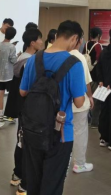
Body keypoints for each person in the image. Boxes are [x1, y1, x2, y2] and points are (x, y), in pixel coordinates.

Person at [19, 20, 86, 195]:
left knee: (33, 182)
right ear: (74, 38)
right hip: (61, 132)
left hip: (33, 129)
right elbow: (79, 102)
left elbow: (22, 91)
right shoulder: (74, 63)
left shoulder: (34, 59)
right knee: (53, 184)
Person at [8, 29, 44, 195]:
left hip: (21, 107)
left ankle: (18, 172)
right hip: (28, 108)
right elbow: (27, 88)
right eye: (39, 39)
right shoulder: (30, 61)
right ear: (32, 42)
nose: (42, 42)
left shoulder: (21, 58)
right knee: (25, 142)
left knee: (21, 140)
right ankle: (21, 176)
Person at [71, 38, 94, 174]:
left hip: (62, 104)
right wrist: (90, 97)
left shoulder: (59, 54)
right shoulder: (80, 57)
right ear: (78, 40)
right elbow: (86, 82)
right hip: (78, 102)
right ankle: (79, 164)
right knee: (80, 133)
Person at [0, 26, 18, 123]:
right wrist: (18, 56)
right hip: (9, 74)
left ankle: (1, 113)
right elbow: (13, 60)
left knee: (1, 93)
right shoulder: (12, 47)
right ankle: (9, 114)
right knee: (11, 95)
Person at [85, 27, 103, 128]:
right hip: (95, 76)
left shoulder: (86, 44)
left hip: (86, 75)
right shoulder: (98, 46)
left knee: (87, 97)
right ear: (98, 36)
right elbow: (99, 60)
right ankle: (94, 122)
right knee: (96, 101)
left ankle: (87, 119)